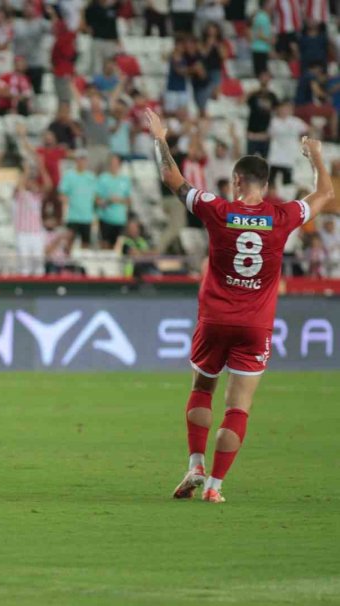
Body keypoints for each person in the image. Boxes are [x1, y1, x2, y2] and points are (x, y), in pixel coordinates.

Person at [146, 107, 334, 503]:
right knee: (239, 406)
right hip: (255, 325)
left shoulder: (219, 210)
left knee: (202, 388)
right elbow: (325, 195)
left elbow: (170, 177)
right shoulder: (282, 215)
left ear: (236, 181)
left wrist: (161, 139)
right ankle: (215, 487)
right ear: (265, 184)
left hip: (214, 319)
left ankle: (195, 464)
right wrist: (315, 155)